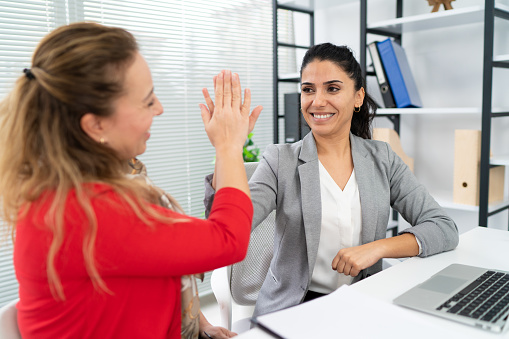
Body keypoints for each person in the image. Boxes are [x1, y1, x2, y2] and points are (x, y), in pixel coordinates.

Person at [0, 22, 262, 339]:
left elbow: (151, 267)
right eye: (147, 100)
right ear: (95, 125)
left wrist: (198, 325)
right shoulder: (87, 211)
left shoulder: (81, 185)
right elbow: (228, 240)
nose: (161, 109)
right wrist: (230, 146)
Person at [203, 42, 459, 317]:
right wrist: (226, 148)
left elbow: (444, 228)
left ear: (358, 97)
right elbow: (226, 229)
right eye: (308, 89)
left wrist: (377, 249)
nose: (317, 101)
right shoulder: (280, 161)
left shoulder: (382, 158)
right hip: (294, 308)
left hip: (363, 302)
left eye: (332, 88)